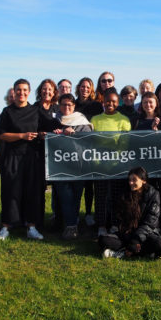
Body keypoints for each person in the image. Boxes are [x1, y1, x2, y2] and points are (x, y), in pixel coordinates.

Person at [0, 79, 62, 241]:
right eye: (19, 90)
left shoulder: (35, 110)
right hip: (12, 157)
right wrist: (22, 136)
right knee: (11, 191)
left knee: (31, 192)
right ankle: (6, 226)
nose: (22, 93)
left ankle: (31, 227)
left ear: (29, 92)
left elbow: (50, 124)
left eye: (25, 90)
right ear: (15, 91)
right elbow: (2, 135)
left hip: (31, 157)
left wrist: (64, 128)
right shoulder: (7, 111)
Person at [99, 167, 161, 260]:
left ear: (143, 181)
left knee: (160, 245)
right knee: (103, 240)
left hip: (146, 233)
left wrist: (136, 239)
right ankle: (138, 251)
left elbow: (150, 222)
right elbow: (119, 217)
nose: (130, 183)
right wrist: (127, 233)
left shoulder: (153, 194)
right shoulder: (125, 193)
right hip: (127, 233)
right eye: (129, 180)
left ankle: (123, 252)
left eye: (134, 180)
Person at [90, 87, 132, 236]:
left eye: (114, 101)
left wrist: (113, 160)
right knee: (100, 196)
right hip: (99, 165)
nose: (110, 104)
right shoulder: (95, 120)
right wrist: (97, 161)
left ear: (118, 102)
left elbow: (124, 144)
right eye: (108, 101)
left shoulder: (123, 120)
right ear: (103, 101)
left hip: (117, 165)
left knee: (117, 196)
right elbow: (92, 143)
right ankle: (101, 225)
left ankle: (115, 224)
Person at [53, 93, 93, 240]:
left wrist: (74, 133)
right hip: (59, 166)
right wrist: (59, 133)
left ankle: (73, 223)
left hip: (79, 166)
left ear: (74, 106)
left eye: (69, 104)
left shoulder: (82, 121)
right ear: (59, 105)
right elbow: (48, 137)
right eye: (63, 104)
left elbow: (88, 139)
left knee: (76, 196)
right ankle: (70, 226)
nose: (66, 107)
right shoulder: (54, 120)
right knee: (65, 196)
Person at [131, 91, 161, 232]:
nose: (148, 105)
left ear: (156, 104)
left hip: (159, 163)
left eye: (151, 102)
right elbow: (133, 141)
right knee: (144, 192)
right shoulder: (136, 120)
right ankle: (144, 220)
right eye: (145, 102)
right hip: (142, 163)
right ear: (141, 105)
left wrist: (156, 131)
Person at [74, 77, 102, 228]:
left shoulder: (96, 105)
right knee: (78, 183)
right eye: (82, 86)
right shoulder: (74, 104)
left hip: (91, 147)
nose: (85, 89)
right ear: (78, 88)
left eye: (88, 87)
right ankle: (76, 213)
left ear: (91, 89)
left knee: (90, 184)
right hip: (75, 148)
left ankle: (89, 214)